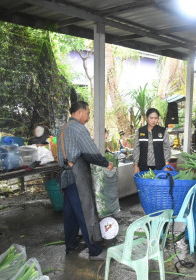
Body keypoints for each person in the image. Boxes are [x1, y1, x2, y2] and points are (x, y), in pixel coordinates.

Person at [57, 101, 114, 261]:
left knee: (70, 213)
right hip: (77, 175)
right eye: (88, 113)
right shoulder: (78, 128)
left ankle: (71, 244)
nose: (88, 117)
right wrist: (105, 162)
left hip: (65, 175)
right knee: (86, 211)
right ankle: (94, 251)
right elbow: (90, 151)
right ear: (80, 112)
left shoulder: (62, 128)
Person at [133, 108, 171, 173]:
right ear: (147, 118)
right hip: (143, 166)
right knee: (144, 182)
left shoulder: (162, 131)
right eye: (151, 118)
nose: (153, 120)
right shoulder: (141, 131)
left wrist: (166, 164)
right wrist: (135, 164)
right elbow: (136, 148)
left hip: (159, 166)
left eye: (156, 118)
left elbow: (166, 148)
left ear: (158, 119)